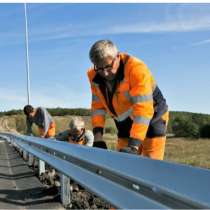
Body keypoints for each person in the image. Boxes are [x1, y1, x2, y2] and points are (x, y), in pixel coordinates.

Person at [87, 40, 169, 160]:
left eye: (108, 66)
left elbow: (143, 110)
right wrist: (98, 139)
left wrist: (134, 146)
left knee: (151, 166)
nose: (105, 73)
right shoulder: (94, 76)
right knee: (123, 164)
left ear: (117, 57)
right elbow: (98, 107)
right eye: (99, 68)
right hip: (124, 123)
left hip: (152, 118)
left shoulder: (136, 69)